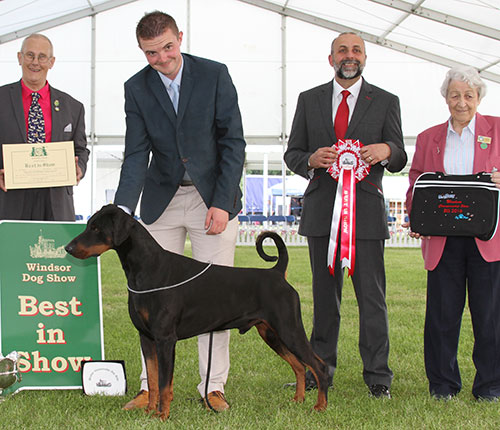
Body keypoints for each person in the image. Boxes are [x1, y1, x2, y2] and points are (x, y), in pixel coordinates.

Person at [114, 11, 246, 412]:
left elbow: (233, 142)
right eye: (151, 53)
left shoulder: (215, 74)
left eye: (168, 48)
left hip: (212, 200)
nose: (162, 59)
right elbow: (137, 153)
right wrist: (122, 209)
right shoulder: (135, 88)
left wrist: (222, 201)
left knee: (214, 297)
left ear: (180, 38)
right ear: (142, 50)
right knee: (149, 296)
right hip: (161, 203)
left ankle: (212, 387)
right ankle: (148, 387)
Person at [284, 32, 407, 398]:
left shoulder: (386, 101)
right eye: (342, 50)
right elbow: (293, 153)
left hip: (366, 217)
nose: (349, 56)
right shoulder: (310, 100)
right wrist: (309, 159)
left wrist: (387, 148)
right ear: (331, 58)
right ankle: (322, 371)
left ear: (365, 58)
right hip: (323, 216)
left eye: (356, 50)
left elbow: (399, 156)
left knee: (372, 301)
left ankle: (379, 377)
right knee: (324, 301)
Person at [406, 66, 500, 401]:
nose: (461, 103)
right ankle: (443, 385)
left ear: (479, 98)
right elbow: (416, 179)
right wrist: (416, 215)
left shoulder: (498, 129)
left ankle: (490, 386)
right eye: (455, 95)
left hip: (486, 240)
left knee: (489, 317)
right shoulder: (429, 137)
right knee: (442, 316)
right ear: (446, 98)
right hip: (443, 238)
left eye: (468, 96)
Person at [0, 34, 89, 221]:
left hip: (56, 203)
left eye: (42, 57)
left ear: (51, 62)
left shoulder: (73, 107)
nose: (35, 62)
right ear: (19, 58)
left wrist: (79, 167)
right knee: (12, 250)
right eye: (30, 55)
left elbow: (80, 149)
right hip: (9, 201)